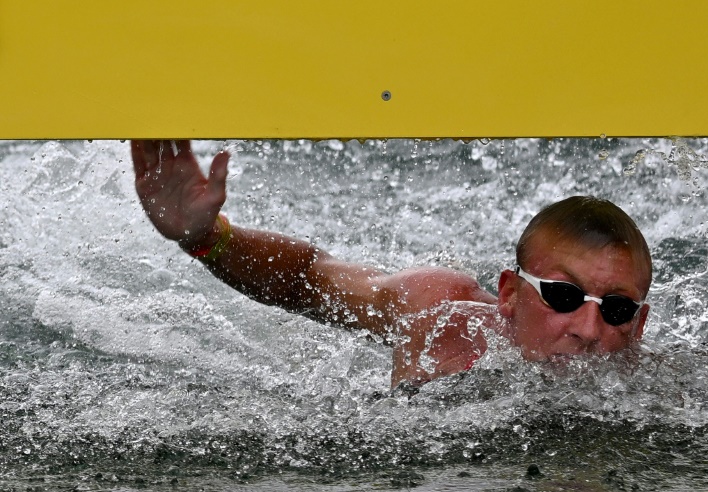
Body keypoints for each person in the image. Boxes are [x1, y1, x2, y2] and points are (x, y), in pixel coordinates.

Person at [131, 140, 651, 388]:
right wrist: (204, 239)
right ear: (511, 292)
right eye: (563, 296)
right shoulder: (438, 312)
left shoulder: (663, 392)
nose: (588, 328)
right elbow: (312, 279)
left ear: (640, 323)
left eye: (617, 309)